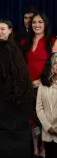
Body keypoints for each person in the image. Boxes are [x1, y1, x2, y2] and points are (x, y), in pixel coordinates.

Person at [21, 12, 57, 157]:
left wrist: (41, 80)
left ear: (45, 24)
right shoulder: (26, 42)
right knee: (32, 118)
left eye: (40, 22)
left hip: (45, 85)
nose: (36, 25)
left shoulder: (52, 40)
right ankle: (35, 147)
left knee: (45, 116)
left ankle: (44, 147)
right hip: (29, 86)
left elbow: (54, 63)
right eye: (34, 22)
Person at [36, 52, 57, 158]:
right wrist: (48, 127)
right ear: (51, 65)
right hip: (47, 132)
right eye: (55, 63)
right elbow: (39, 108)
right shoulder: (43, 84)